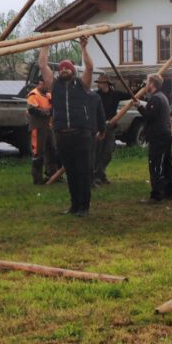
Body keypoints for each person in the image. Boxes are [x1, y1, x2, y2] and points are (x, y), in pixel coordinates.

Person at [38, 38, 105, 217]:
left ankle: (84, 206)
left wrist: (83, 48)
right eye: (61, 68)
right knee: (71, 172)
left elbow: (89, 67)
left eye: (67, 68)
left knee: (83, 171)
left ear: (73, 71)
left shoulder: (82, 85)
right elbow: (43, 66)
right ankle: (74, 205)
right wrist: (45, 45)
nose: (64, 70)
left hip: (81, 134)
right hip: (62, 135)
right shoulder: (55, 86)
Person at [138, 73, 172, 202]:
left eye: (147, 82)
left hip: (159, 136)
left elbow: (150, 117)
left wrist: (139, 107)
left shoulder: (156, 99)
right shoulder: (162, 96)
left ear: (152, 84)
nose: (146, 85)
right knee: (166, 164)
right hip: (165, 135)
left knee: (155, 165)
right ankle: (168, 191)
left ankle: (156, 195)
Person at [93, 74, 130, 185]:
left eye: (100, 83)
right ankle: (97, 176)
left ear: (106, 84)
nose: (98, 84)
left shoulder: (115, 94)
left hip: (111, 127)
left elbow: (130, 95)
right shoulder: (96, 96)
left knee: (108, 152)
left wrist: (140, 88)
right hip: (99, 127)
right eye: (98, 82)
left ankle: (101, 173)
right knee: (98, 152)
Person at [27, 77, 57, 185]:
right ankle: (37, 179)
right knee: (38, 153)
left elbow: (54, 107)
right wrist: (46, 112)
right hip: (38, 128)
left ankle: (53, 175)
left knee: (52, 150)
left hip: (48, 127)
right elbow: (32, 109)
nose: (49, 87)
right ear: (41, 83)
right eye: (47, 84)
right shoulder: (34, 94)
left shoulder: (48, 95)